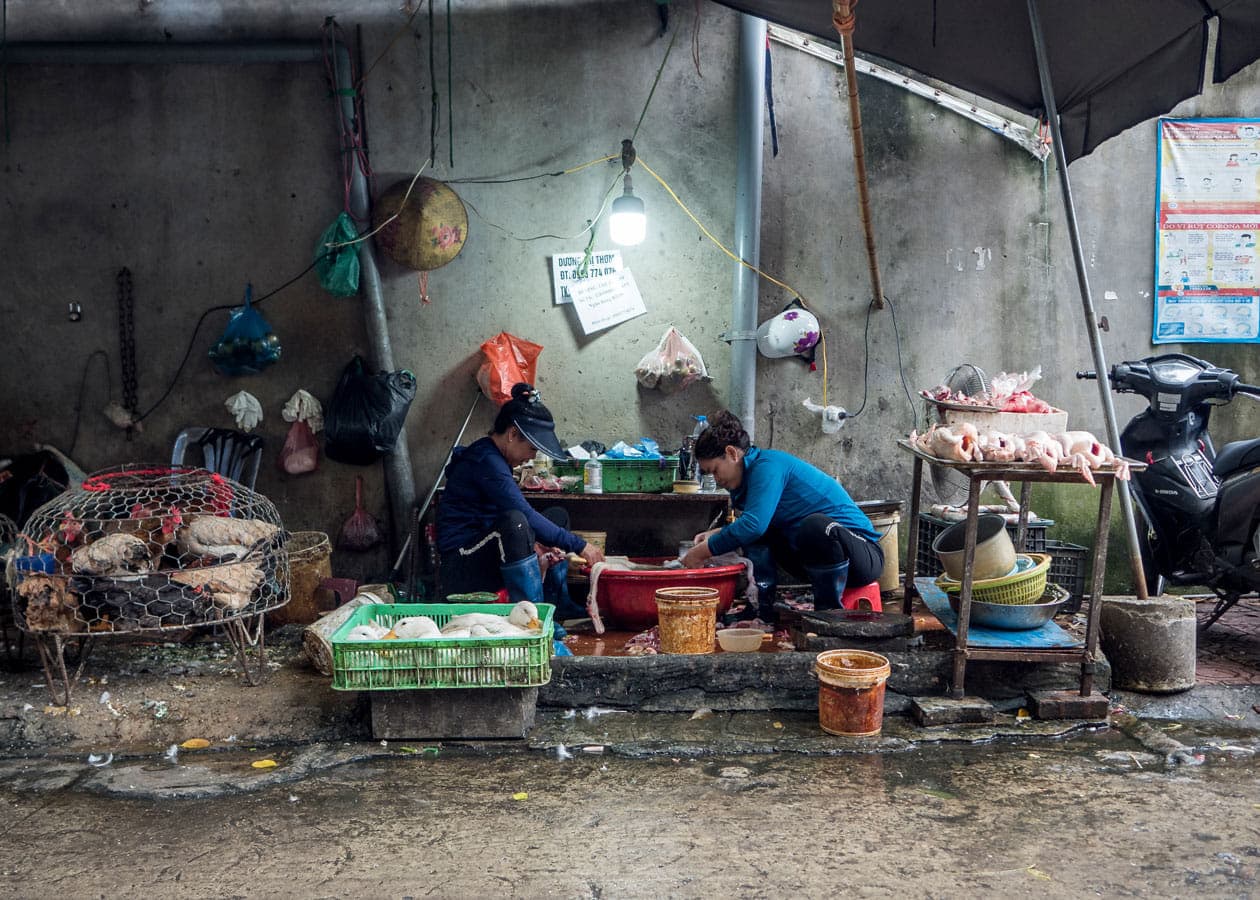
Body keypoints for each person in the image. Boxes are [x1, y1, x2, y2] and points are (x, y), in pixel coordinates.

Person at [679, 410, 883, 623]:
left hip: (863, 556)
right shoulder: (747, 479)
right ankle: (762, 609)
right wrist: (715, 534)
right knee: (758, 533)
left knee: (814, 526)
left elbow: (754, 525)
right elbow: (758, 525)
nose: (716, 479)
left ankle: (828, 615)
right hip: (818, 559)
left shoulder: (767, 466)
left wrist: (702, 552)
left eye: (715, 470)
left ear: (732, 453)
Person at [437, 383, 604, 617]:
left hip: (487, 548)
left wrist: (538, 543)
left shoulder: (497, 458)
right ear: (513, 434)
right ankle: (530, 618)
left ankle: (557, 605)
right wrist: (580, 545)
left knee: (557, 516)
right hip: (462, 565)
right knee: (515, 522)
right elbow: (521, 514)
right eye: (532, 448)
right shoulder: (486, 460)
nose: (533, 456)